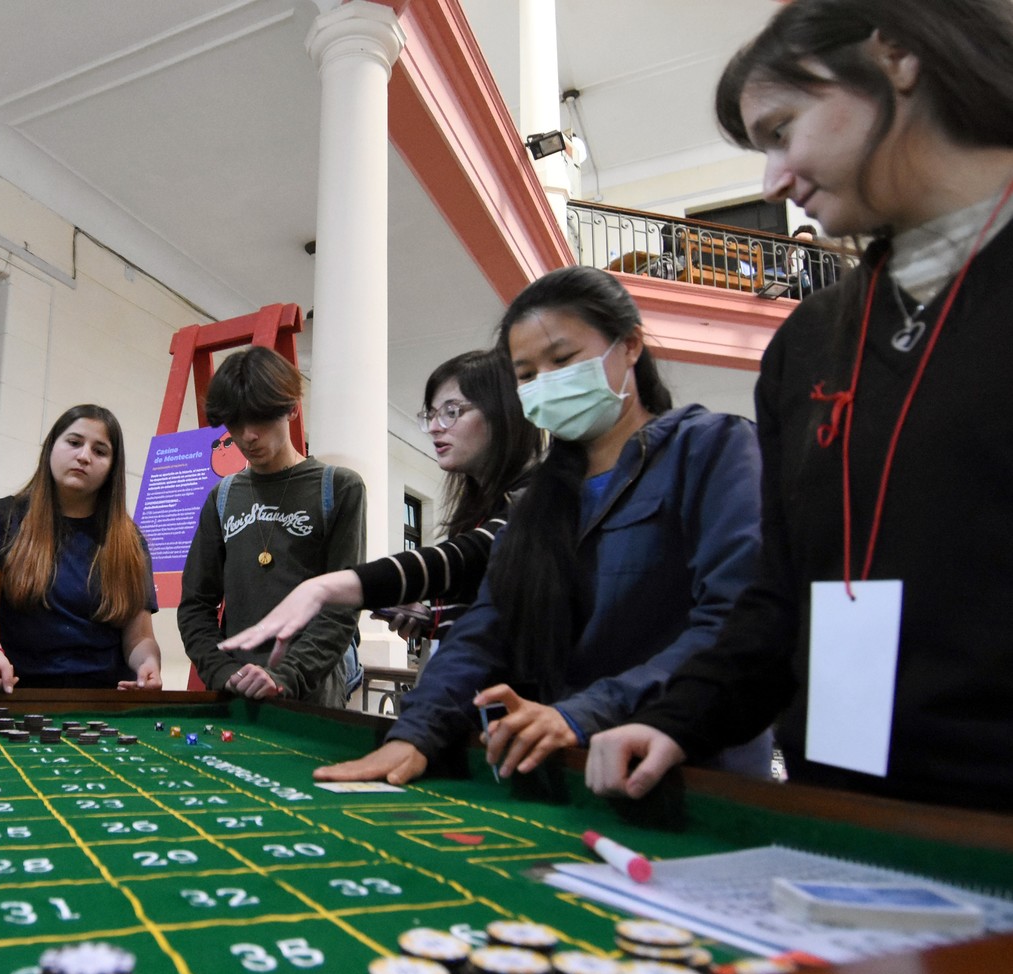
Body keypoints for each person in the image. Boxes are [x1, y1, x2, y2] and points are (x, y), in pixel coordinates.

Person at [588, 0, 1013, 812]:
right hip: (839, 810)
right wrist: (677, 720)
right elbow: (778, 593)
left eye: (781, 129)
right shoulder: (810, 340)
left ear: (894, 56)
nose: (774, 181)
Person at [317, 267, 771, 787]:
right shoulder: (538, 502)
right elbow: (486, 629)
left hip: (695, 771)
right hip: (567, 770)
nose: (547, 382)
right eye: (527, 373)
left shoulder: (712, 449)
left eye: (562, 360)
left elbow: (737, 618)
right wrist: (413, 732)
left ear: (629, 347)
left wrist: (582, 713)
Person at [218, 349, 539, 664]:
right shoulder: (477, 510)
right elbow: (492, 615)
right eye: (431, 414)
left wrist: (327, 588)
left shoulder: (537, 498)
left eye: (452, 412)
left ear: (503, 410)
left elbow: (466, 556)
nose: (436, 427)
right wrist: (434, 618)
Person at [178, 347, 365, 708]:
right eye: (235, 423)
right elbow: (195, 605)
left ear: (292, 407)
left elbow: (341, 609)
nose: (247, 435)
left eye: (260, 419)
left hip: (312, 697)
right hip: (237, 692)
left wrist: (285, 676)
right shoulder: (223, 496)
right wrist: (222, 671)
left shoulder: (339, 488)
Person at [0, 405, 162, 691]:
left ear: (112, 469)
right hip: (15, 692)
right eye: (74, 442)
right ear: (50, 448)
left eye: (100, 451)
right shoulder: (0, 518)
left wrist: (148, 664)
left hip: (106, 699)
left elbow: (140, 636)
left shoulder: (130, 541)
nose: (84, 456)